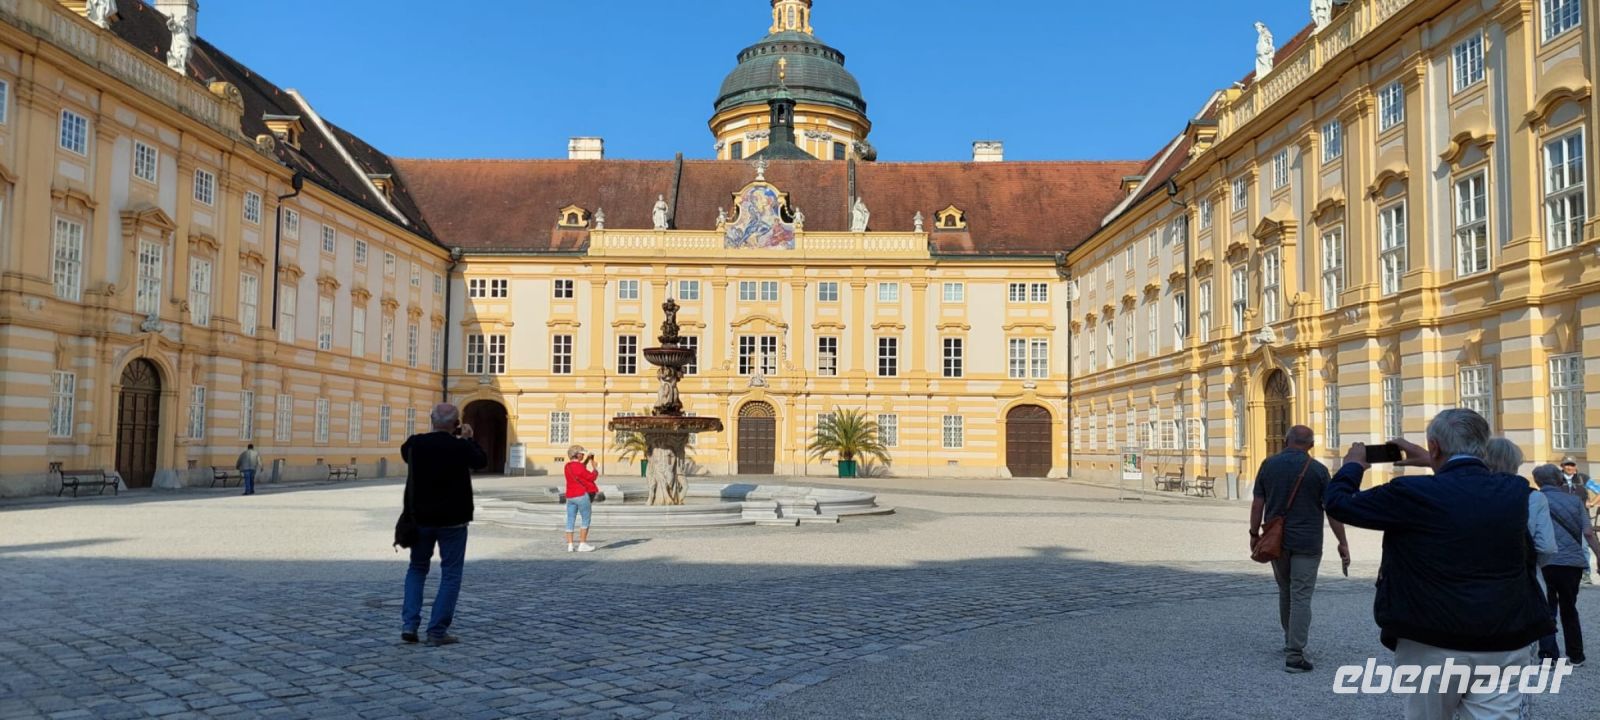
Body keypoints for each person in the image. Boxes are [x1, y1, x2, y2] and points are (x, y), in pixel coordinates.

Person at [1325, 409, 1553, 719]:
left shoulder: (1412, 493)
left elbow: (1339, 503)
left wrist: (1352, 466)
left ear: (1434, 447)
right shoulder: (1512, 491)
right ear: (1483, 447)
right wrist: (1436, 462)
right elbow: (1466, 493)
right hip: (1505, 637)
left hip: (1433, 639)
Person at [1249, 425, 1350, 673]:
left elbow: (1257, 504)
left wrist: (1254, 534)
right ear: (1311, 445)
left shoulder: (1268, 465)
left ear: (1286, 440)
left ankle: (1289, 641)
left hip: (1276, 541)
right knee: (1301, 596)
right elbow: (1332, 509)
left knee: (1285, 591)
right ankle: (1295, 654)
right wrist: (1342, 540)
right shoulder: (1318, 470)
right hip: (1307, 542)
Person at [399, 403, 488, 646]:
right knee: (450, 574)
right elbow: (481, 461)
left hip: (420, 520)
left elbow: (406, 454)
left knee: (417, 569)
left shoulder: (415, 443)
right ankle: (436, 631)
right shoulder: (460, 447)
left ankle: (409, 625)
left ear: (431, 420)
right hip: (453, 521)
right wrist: (468, 439)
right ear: (456, 423)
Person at [1533, 463, 1600, 667]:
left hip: (1544, 561)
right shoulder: (1574, 501)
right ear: (1560, 479)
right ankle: (1576, 655)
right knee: (1569, 608)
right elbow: (1588, 532)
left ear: (1537, 481)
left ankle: (1548, 655)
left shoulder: (1533, 500)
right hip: (1571, 562)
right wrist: (1598, 555)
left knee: (1546, 608)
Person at [564, 445, 600, 552]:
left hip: (570, 496)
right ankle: (582, 544)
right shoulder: (579, 467)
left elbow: (579, 469)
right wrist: (595, 468)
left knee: (570, 519)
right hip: (581, 495)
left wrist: (588, 459)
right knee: (586, 519)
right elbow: (592, 477)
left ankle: (570, 545)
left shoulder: (567, 466)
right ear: (577, 454)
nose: (583, 455)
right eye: (582, 453)